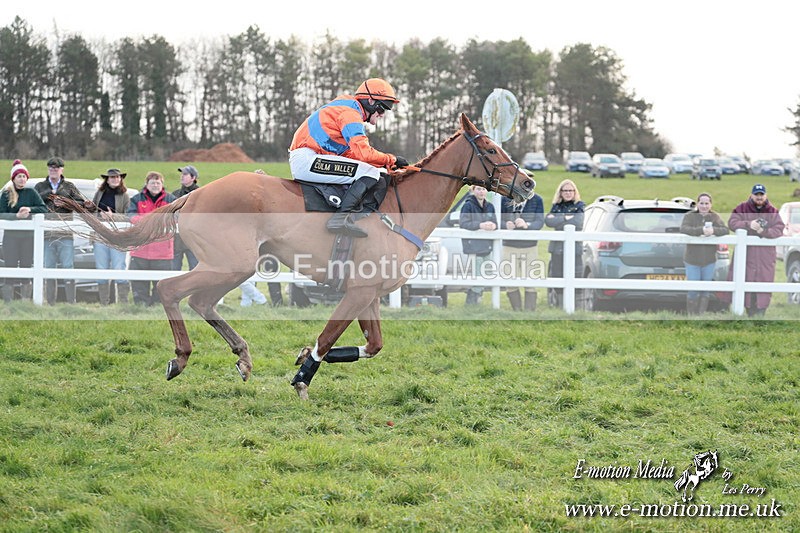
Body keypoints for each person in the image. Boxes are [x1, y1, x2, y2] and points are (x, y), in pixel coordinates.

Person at [288, 78, 409, 237]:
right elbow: (363, 153)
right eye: (382, 109)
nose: (382, 115)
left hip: (310, 158)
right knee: (371, 173)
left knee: (375, 172)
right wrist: (391, 159)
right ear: (371, 101)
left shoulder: (348, 108)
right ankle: (339, 219)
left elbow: (352, 155)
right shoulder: (350, 114)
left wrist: (384, 165)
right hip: (307, 160)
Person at [34, 157, 92, 304]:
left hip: (65, 234)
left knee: (68, 267)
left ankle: (71, 302)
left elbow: (81, 203)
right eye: (51, 167)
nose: (53, 170)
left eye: (57, 168)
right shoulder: (40, 186)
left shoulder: (69, 186)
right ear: (48, 169)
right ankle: (50, 302)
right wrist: (50, 197)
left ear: (62, 169)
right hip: (46, 234)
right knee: (49, 268)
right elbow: (34, 204)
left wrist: (65, 202)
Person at [727, 184, 785, 317]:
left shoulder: (772, 211)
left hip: (765, 257)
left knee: (764, 282)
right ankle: (745, 313)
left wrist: (763, 231)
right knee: (744, 279)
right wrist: (749, 225)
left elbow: (779, 229)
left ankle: (760, 315)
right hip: (746, 255)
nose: (759, 197)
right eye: (756, 194)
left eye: (761, 195)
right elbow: (732, 223)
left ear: (765, 196)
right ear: (752, 195)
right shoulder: (742, 208)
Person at [0, 160, 48, 302]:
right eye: (19, 176)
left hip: (28, 238)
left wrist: (30, 209)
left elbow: (43, 208)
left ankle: (25, 301)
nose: (21, 179)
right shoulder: (6, 194)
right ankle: (9, 302)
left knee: (27, 265)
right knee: (10, 266)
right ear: (13, 178)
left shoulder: (31, 192)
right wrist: (16, 216)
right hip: (11, 237)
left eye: (24, 176)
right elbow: (1, 213)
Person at [127, 172, 176, 306]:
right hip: (140, 250)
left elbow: (176, 217)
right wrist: (148, 221)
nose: (155, 185)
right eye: (152, 183)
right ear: (147, 184)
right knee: (139, 281)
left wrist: (156, 222)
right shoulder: (136, 199)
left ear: (162, 184)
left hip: (163, 251)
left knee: (162, 282)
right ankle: (141, 304)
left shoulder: (171, 199)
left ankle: (158, 305)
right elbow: (130, 215)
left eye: (158, 182)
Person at [679, 192, 729, 315]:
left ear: (710, 204)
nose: (704, 206)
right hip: (692, 259)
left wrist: (713, 231)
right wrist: (700, 230)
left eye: (707, 203)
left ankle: (700, 315)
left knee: (705, 290)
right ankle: (692, 315)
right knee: (693, 289)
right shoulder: (690, 216)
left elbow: (725, 230)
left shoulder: (715, 217)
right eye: (702, 203)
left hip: (709, 260)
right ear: (697, 204)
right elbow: (684, 229)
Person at [92, 168, 132, 305]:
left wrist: (112, 216)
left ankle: (123, 302)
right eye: (112, 177)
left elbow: (128, 216)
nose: (115, 179)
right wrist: (99, 216)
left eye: (117, 177)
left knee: (119, 266)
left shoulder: (125, 196)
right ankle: (104, 302)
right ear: (107, 180)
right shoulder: (99, 194)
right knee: (101, 268)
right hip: (100, 235)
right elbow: (92, 212)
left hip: (117, 236)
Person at [501, 189, 544, 311]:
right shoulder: (505, 199)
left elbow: (540, 222)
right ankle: (516, 310)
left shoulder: (537, 200)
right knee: (509, 278)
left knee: (531, 279)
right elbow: (498, 219)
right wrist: (505, 225)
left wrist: (527, 225)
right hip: (509, 246)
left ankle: (530, 311)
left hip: (530, 246)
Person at [545, 179, 585, 307]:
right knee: (557, 275)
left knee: (576, 276)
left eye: (570, 190)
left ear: (574, 192)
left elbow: (578, 222)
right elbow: (548, 221)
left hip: (574, 249)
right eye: (565, 190)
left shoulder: (580, 206)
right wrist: (565, 218)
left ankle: (575, 307)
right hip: (557, 249)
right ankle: (560, 305)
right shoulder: (556, 206)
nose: (568, 193)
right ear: (560, 192)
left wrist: (558, 219)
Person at [459, 185, 497, 305]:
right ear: (473, 190)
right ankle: (471, 304)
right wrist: (480, 225)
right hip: (473, 247)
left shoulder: (490, 206)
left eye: (484, 189)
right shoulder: (468, 205)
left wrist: (494, 226)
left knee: (486, 274)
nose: (481, 192)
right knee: (477, 275)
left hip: (487, 246)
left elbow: (495, 222)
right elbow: (463, 223)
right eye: (479, 189)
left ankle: (477, 302)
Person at [171, 166, 200, 271]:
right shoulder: (175, 194)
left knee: (195, 270)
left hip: (193, 240)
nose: (182, 176)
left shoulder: (201, 193)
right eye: (181, 174)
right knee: (173, 270)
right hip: (176, 239)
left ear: (193, 177)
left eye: (185, 174)